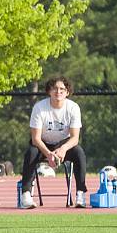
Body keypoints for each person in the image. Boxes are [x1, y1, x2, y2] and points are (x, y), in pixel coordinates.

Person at [20, 76, 87, 209]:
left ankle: (81, 194)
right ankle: (26, 195)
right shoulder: (39, 107)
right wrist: (49, 154)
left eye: (62, 89)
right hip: (43, 145)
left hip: (64, 144)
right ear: (49, 91)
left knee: (79, 152)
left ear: (67, 92)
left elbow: (74, 138)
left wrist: (62, 149)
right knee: (31, 152)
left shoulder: (73, 108)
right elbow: (36, 139)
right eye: (55, 88)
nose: (58, 92)